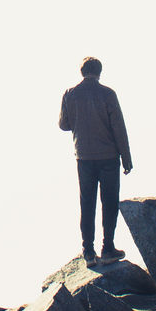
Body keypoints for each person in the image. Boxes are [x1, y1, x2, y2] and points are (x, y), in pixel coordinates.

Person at [59, 56, 133, 264]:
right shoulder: (108, 94)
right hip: (109, 156)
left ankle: (88, 252)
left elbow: (64, 124)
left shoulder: (70, 94)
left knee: (87, 203)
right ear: (99, 72)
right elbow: (119, 127)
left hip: (83, 157)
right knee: (109, 202)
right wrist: (126, 159)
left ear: (82, 72)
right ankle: (108, 248)